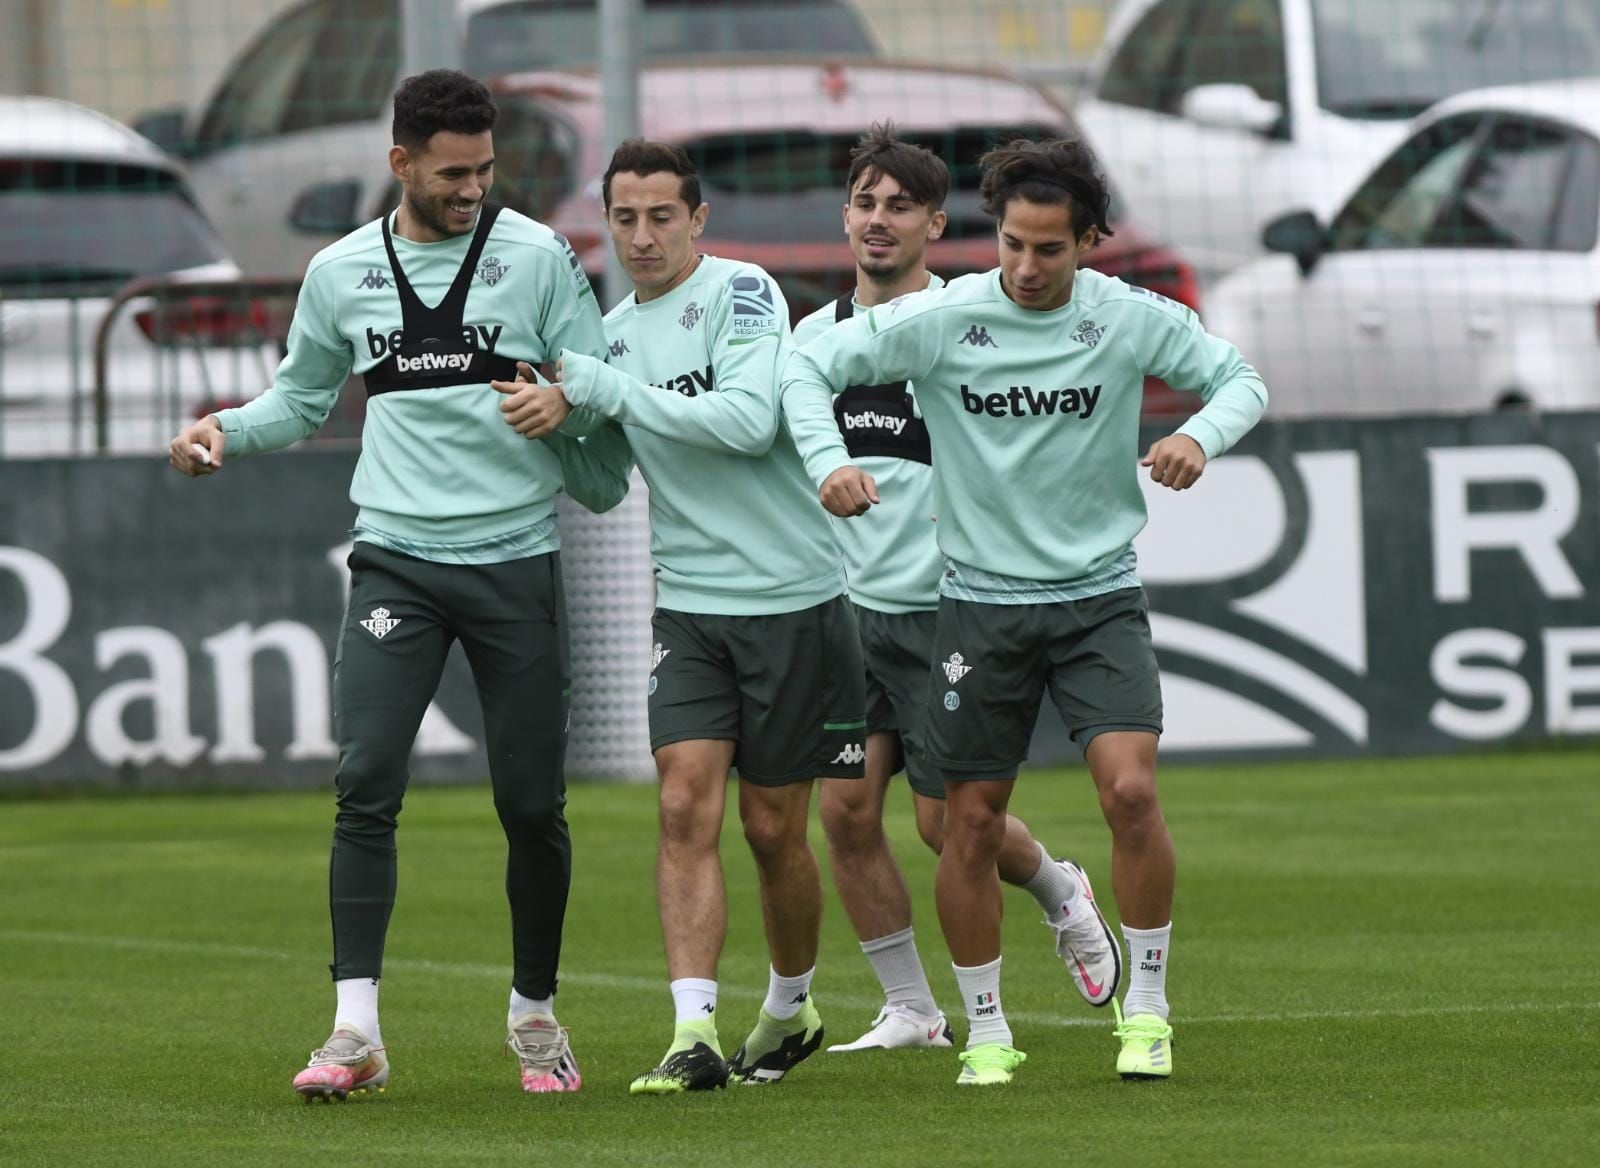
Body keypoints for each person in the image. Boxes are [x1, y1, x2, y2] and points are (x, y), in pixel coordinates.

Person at [167, 70, 629, 1100]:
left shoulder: (539, 257)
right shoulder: (338, 271)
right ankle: (354, 1030)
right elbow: (297, 400)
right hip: (396, 560)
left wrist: (565, 405)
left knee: (529, 804)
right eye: (453, 173)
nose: (473, 190)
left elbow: (599, 390)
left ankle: (535, 1016)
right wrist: (221, 433)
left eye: (485, 170)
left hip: (515, 560)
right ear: (401, 164)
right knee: (365, 782)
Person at [782, 137, 1268, 1085]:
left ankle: (1151, 1013)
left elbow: (1241, 379)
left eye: (1049, 250)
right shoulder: (943, 316)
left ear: (1087, 243)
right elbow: (803, 373)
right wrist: (827, 463)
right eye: (1010, 244)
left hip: (1096, 599)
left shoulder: (1127, 319)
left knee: (1130, 793)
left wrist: (1198, 438)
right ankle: (989, 1030)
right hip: (978, 607)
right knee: (963, 823)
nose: (1025, 268)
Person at [493, 139, 864, 1094]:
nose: (643, 236)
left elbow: (745, 423)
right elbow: (607, 482)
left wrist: (602, 393)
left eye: (662, 216)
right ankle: (692, 1034)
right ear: (606, 223)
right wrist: (558, 427)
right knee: (680, 802)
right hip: (689, 609)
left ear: (697, 219)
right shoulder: (609, 334)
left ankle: (790, 1009)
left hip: (792, 603)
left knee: (774, 830)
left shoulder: (743, 294)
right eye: (625, 219)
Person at [791, 125, 1124, 1054]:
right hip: (851, 615)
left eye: (900, 205)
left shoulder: (969, 326)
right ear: (845, 216)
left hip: (950, 611)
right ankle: (911, 1010)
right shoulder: (815, 342)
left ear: (937, 223)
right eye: (864, 202)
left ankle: (1062, 891)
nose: (878, 220)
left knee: (946, 827)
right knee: (846, 813)